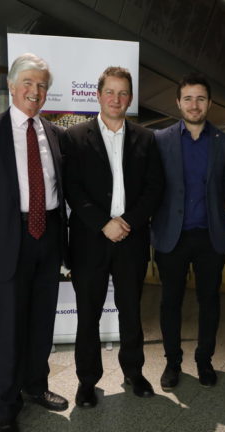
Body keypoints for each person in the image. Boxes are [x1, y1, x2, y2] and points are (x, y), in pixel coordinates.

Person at [0, 53, 68, 432]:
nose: (35, 91)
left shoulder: (53, 133)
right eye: (28, 83)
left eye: (41, 85)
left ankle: (36, 387)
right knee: (9, 329)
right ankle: (6, 404)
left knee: (41, 323)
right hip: (9, 240)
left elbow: (58, 187)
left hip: (48, 236)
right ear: (11, 86)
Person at [64, 66, 165, 405]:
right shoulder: (75, 137)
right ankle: (87, 381)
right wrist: (102, 223)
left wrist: (128, 222)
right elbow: (72, 189)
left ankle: (134, 373)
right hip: (89, 241)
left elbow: (154, 187)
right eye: (111, 92)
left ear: (130, 98)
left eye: (123, 93)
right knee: (88, 314)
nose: (116, 99)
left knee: (131, 311)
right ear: (98, 94)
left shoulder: (146, 138)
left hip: (131, 239)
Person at [151, 73, 225, 390]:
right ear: (178, 102)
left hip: (209, 236)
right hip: (171, 236)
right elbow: (154, 186)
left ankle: (204, 361)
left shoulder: (224, 144)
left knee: (209, 301)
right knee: (170, 301)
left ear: (210, 103)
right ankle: (172, 363)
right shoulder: (160, 141)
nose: (194, 104)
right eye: (188, 98)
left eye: (200, 98)